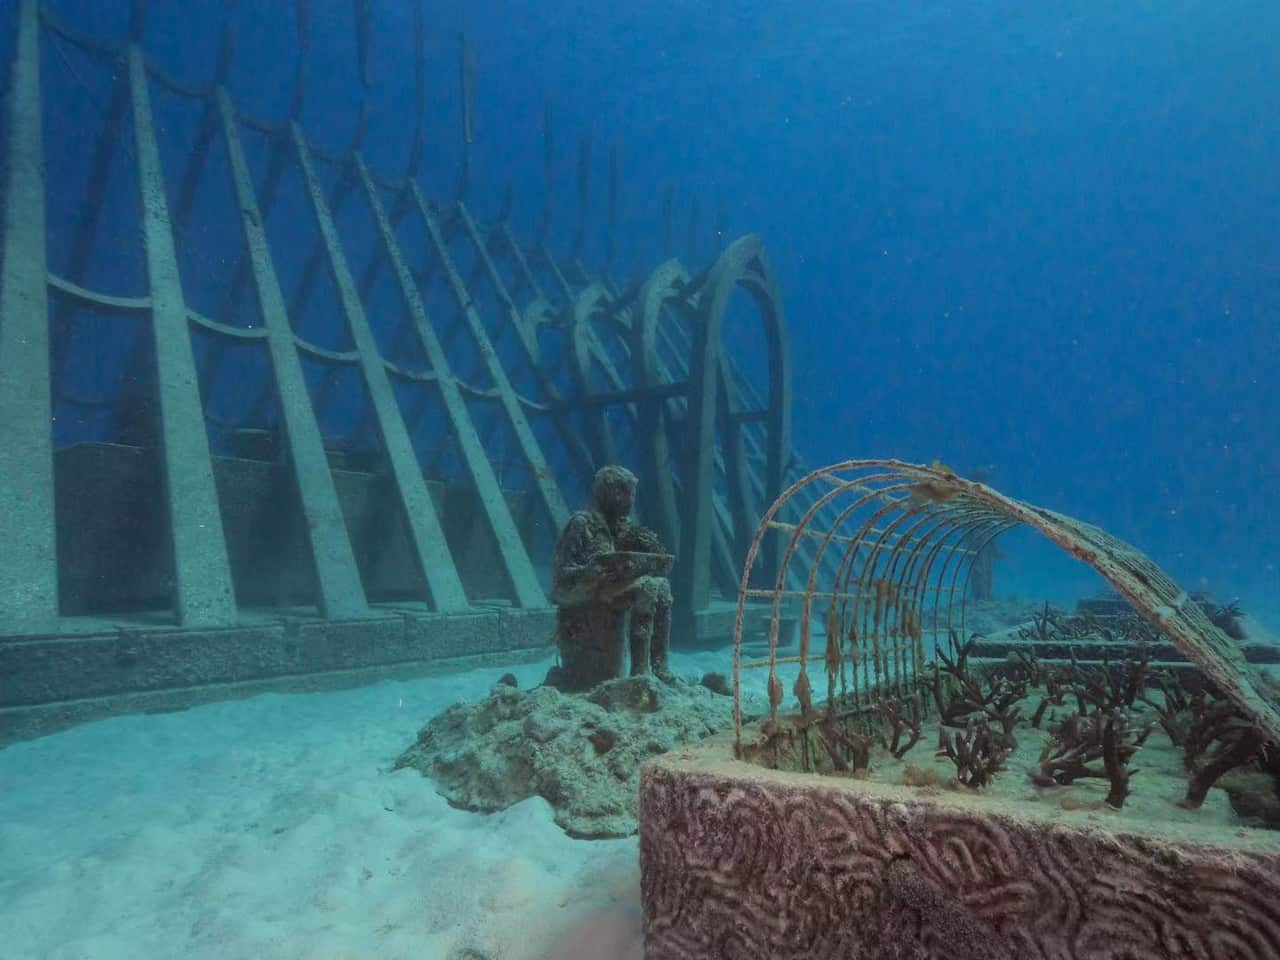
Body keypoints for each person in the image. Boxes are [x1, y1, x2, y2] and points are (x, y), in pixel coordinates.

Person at [549, 466, 675, 690]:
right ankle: (640, 672)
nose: (631, 502)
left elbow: (644, 562)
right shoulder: (581, 524)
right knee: (646, 588)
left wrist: (650, 546)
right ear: (612, 493)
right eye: (627, 494)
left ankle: (659, 667)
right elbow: (560, 576)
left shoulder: (620, 528)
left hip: (608, 594)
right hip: (583, 597)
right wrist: (586, 572)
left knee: (661, 586)